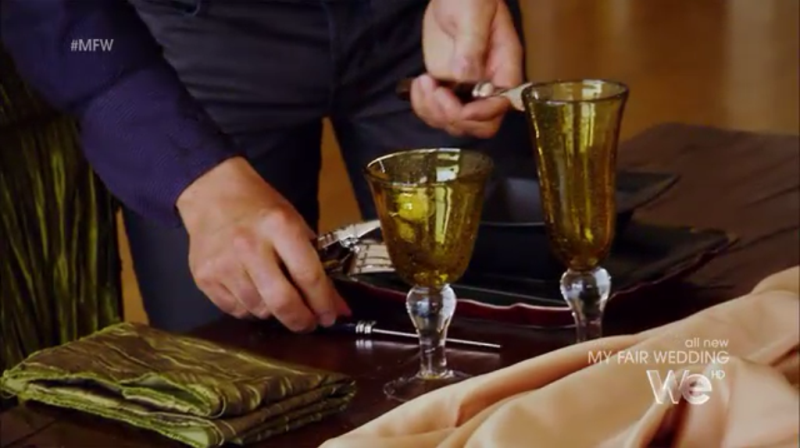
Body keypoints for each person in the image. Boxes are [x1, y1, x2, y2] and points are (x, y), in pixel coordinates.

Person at [1, 0, 532, 333]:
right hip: (190, 47)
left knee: (506, 316)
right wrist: (188, 168)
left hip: (426, 23)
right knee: (230, 369)